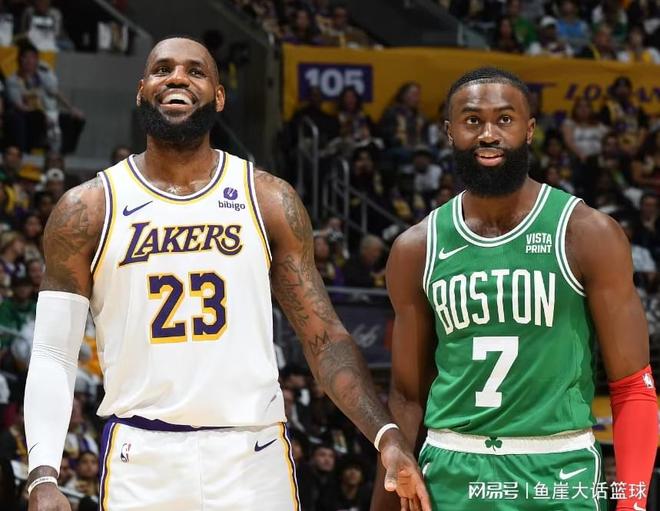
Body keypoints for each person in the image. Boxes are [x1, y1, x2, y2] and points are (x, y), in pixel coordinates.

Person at [22, 37, 429, 511]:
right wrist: (43, 474)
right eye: (162, 69)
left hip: (253, 457)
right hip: (142, 458)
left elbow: (323, 339)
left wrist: (386, 434)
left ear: (218, 97)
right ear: (141, 90)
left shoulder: (268, 199)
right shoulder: (87, 209)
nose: (177, 78)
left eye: (195, 71)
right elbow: (53, 352)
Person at [372, 67, 658, 510]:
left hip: (558, 469)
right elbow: (407, 398)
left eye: (504, 119)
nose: (488, 134)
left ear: (529, 129)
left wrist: (633, 504)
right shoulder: (416, 248)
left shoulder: (587, 234)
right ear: (449, 132)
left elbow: (633, 386)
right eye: (472, 120)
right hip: (452, 470)